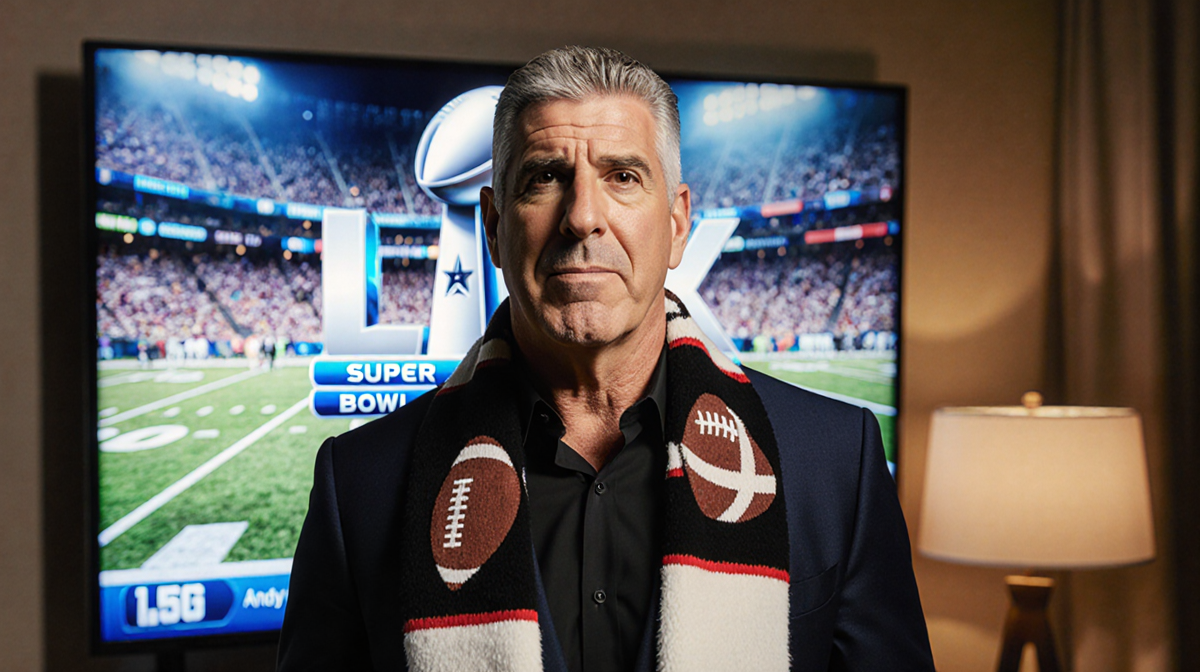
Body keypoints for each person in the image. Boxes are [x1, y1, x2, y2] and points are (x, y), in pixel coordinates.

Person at [278, 46, 934, 672]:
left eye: (623, 176)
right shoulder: (360, 485)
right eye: (545, 178)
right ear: (494, 226)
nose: (583, 217)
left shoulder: (834, 462)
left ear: (677, 224)